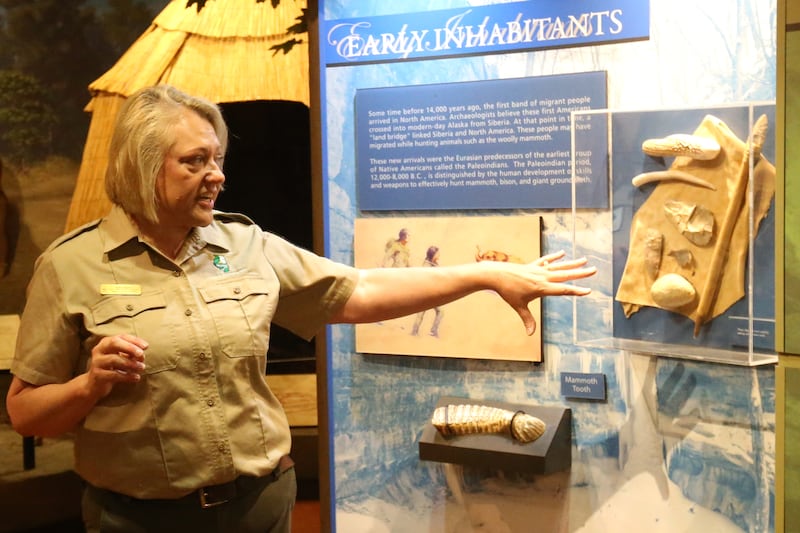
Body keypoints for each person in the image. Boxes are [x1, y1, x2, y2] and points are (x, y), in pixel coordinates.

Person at [5, 85, 596, 533]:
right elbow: (27, 413)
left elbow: (359, 292)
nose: (218, 175)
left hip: (259, 507)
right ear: (141, 165)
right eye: (195, 162)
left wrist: (486, 275)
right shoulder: (70, 266)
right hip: (137, 520)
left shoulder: (244, 243)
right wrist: (89, 385)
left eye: (217, 158)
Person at [411, 245, 443, 337]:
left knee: (440, 312)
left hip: (432, 294)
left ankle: (433, 331)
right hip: (425, 293)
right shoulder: (426, 266)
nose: (439, 256)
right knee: (420, 314)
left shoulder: (435, 264)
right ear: (433, 255)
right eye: (438, 254)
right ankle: (414, 332)